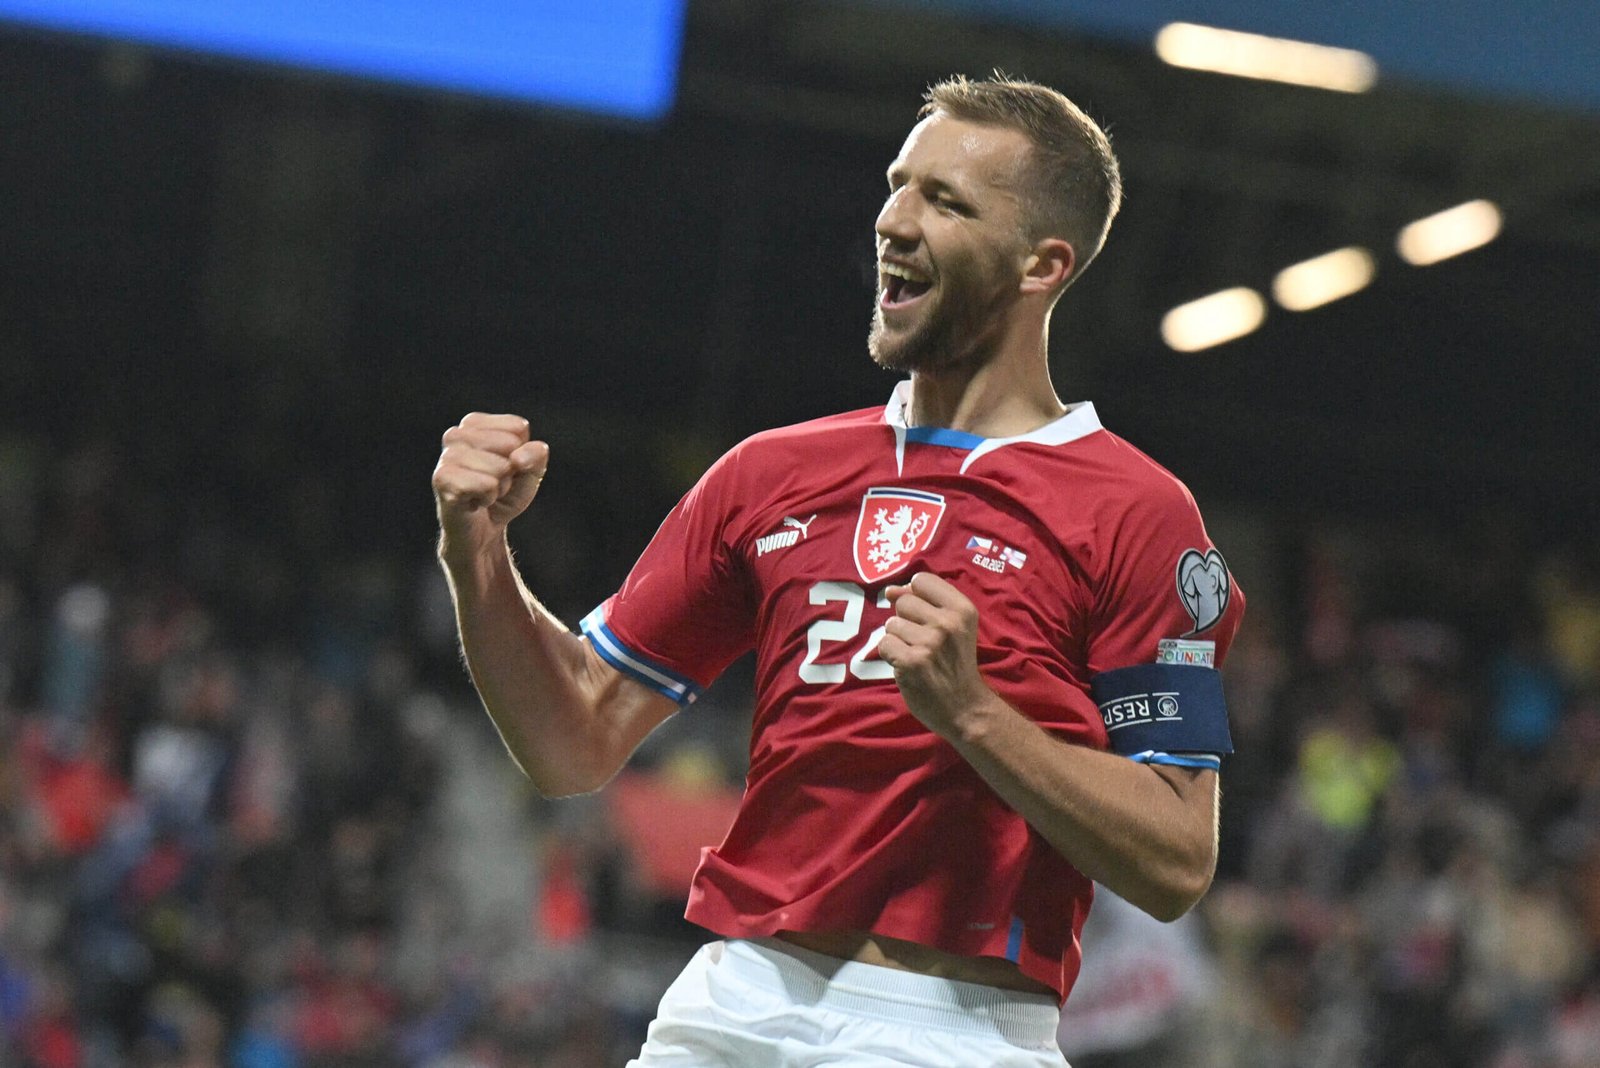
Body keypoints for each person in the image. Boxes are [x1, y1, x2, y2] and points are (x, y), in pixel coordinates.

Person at [431, 73, 1245, 1068]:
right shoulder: (769, 473)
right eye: (899, 184)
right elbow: (571, 741)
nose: (894, 221)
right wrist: (476, 558)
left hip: (953, 1029)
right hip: (732, 1001)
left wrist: (976, 714)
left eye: (945, 202)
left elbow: (1175, 860)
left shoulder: (1135, 513)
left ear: (1042, 264)